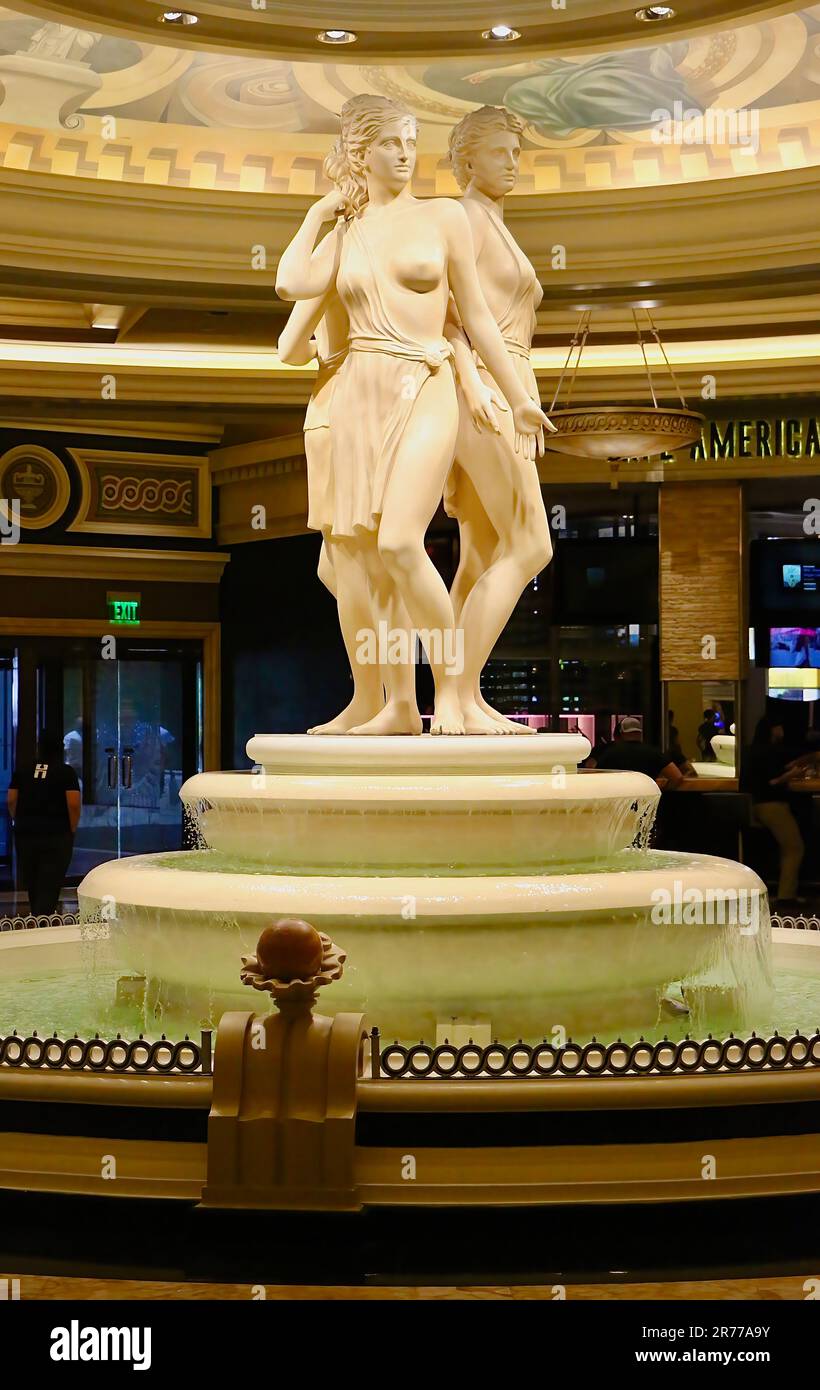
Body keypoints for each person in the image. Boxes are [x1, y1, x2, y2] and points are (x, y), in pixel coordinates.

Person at [275, 93, 550, 734]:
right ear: (360, 153)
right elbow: (290, 284)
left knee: (400, 540)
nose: (404, 154)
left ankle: (455, 693)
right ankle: (397, 704)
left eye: (410, 141)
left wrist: (517, 397)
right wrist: (320, 212)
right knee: (366, 558)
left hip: (426, 382)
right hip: (359, 394)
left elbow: (476, 317)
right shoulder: (347, 233)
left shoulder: (446, 218)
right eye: (390, 143)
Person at [442, 105, 554, 734]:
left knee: (482, 552)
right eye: (501, 151)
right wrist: (487, 387)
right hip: (488, 387)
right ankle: (457, 691)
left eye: (517, 151)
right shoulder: (462, 216)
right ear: (467, 159)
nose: (514, 162)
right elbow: (449, 315)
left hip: (505, 382)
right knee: (531, 543)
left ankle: (462, 698)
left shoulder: (490, 220)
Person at [7, 731, 81, 917]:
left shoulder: (22, 770)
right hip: (57, 833)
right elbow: (73, 803)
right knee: (50, 882)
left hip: (26, 833)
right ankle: (43, 920)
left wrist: (18, 820)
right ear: (60, 749)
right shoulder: (66, 772)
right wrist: (72, 828)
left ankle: (36, 917)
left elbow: (11, 799)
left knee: (32, 880)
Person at [741, 716, 804, 906]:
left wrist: (787, 770)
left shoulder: (752, 751)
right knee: (794, 848)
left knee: (782, 848)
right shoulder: (768, 751)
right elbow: (772, 782)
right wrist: (791, 775)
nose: (781, 731)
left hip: (756, 806)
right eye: (779, 727)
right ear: (772, 730)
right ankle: (786, 897)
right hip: (771, 805)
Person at [588, 716, 684, 790]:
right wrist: (660, 790)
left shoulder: (610, 753)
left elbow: (596, 778)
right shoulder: (653, 752)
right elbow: (677, 777)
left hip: (621, 804)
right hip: (647, 802)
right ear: (640, 733)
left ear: (621, 733)